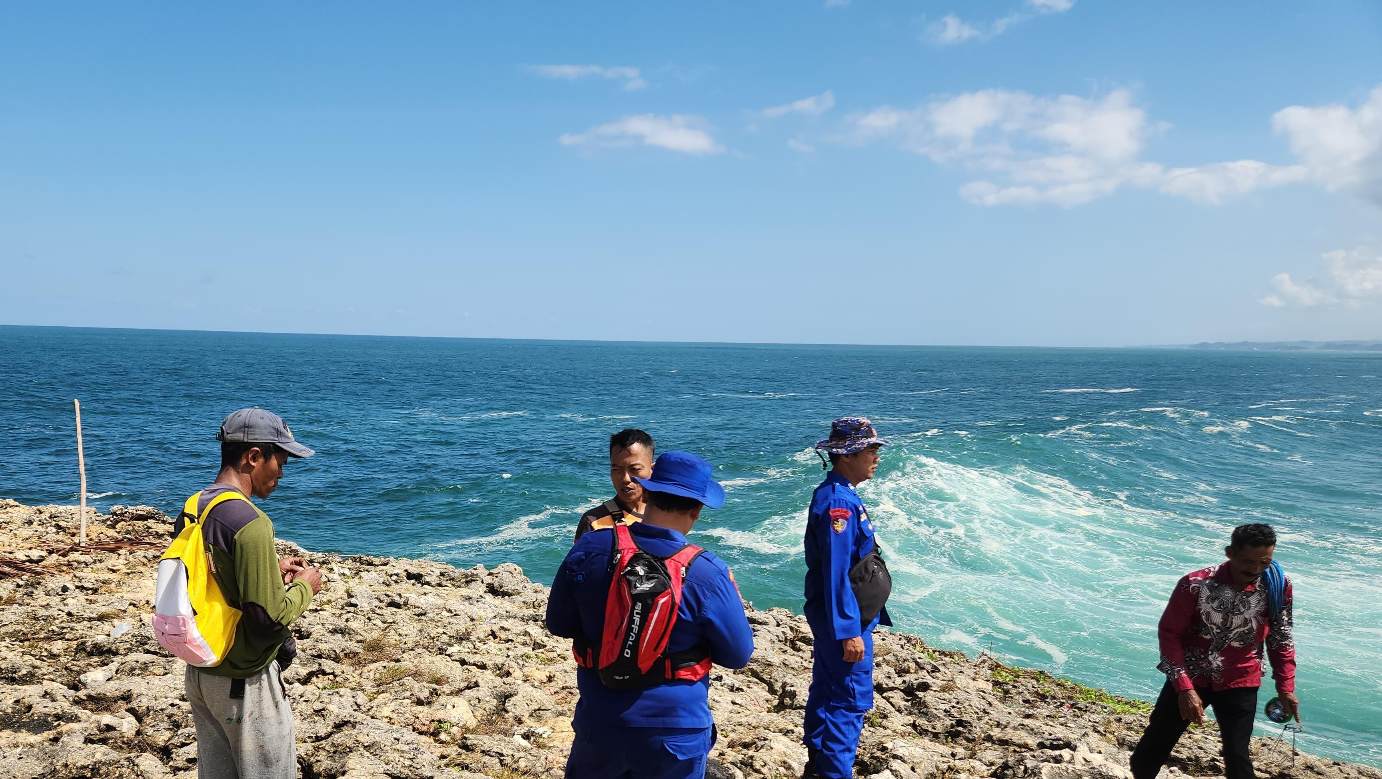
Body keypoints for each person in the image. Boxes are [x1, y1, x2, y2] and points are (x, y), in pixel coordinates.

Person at [546, 450, 755, 778]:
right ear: (697, 510)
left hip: (600, 721)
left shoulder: (590, 547)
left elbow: (558, 623)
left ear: (647, 493)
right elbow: (738, 654)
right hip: (675, 731)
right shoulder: (706, 571)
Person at [180, 408, 325, 779]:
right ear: (254, 456)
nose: (283, 473)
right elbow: (267, 620)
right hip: (243, 682)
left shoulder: (197, 505)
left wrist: (268, 573)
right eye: (282, 460)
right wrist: (303, 589)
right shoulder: (251, 522)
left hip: (202, 671)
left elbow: (206, 579)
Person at [1130, 523, 1298, 779]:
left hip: (1241, 678)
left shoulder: (1278, 585)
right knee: (1155, 744)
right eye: (1247, 561)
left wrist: (1285, 686)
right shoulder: (1196, 584)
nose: (1255, 570)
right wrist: (1185, 688)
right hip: (1191, 676)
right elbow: (1169, 633)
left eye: (1264, 562)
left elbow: (1281, 637)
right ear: (1229, 552)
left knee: (1237, 754)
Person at [803, 417, 892, 779]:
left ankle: (819, 768)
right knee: (848, 701)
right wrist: (848, 630)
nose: (876, 457)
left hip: (840, 617)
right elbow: (837, 570)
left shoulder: (838, 494)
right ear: (846, 456)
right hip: (845, 621)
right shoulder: (838, 504)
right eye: (870, 450)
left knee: (828, 691)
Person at [574, 428, 655, 542]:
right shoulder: (594, 522)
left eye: (634, 469)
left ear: (652, 469)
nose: (625, 479)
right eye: (616, 469)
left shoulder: (667, 512)